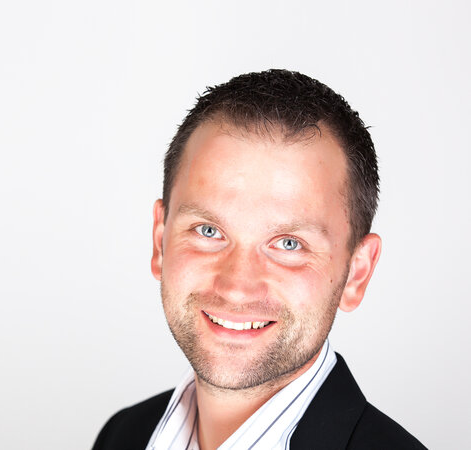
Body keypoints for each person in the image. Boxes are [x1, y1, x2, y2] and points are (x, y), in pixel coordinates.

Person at [92, 69, 426, 450]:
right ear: (160, 240)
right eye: (208, 231)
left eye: (289, 244)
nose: (236, 287)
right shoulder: (122, 435)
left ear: (356, 273)